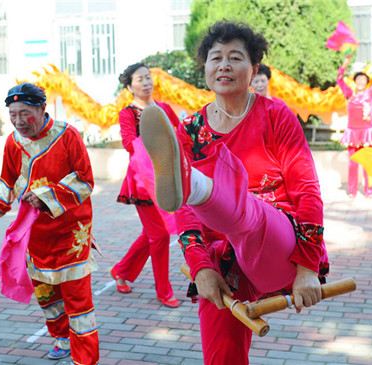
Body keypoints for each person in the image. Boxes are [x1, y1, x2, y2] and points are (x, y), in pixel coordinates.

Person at [139, 21, 328, 364]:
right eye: (216, 58)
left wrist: (308, 266)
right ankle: (193, 186)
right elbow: (181, 213)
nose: (224, 65)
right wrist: (199, 267)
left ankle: (196, 185)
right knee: (221, 356)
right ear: (206, 69)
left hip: (280, 243)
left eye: (235, 57)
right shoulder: (191, 129)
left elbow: (308, 191)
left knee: (250, 216)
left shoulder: (276, 116)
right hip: (221, 256)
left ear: (254, 69)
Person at [0, 83, 99, 363]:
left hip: (71, 234)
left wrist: (46, 196)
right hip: (34, 235)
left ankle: (85, 359)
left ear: (42, 108)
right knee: (47, 295)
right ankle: (61, 337)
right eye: (13, 114)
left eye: (25, 113)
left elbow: (85, 180)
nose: (19, 121)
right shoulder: (13, 142)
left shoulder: (67, 135)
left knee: (78, 301)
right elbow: (6, 184)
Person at [112, 62, 180, 308]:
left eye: (148, 77)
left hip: (166, 176)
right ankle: (164, 291)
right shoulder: (128, 113)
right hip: (142, 181)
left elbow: (179, 134)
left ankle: (122, 270)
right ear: (130, 86)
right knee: (159, 236)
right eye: (140, 79)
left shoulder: (163, 108)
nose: (146, 82)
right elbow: (129, 143)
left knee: (150, 234)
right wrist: (155, 148)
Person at [337, 53, 372, 198]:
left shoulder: (370, 93)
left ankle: (368, 191)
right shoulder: (349, 93)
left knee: (367, 163)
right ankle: (352, 191)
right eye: (358, 79)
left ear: (366, 82)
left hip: (367, 132)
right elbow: (339, 79)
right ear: (355, 81)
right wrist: (345, 63)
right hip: (353, 132)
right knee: (353, 163)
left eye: (363, 79)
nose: (360, 81)